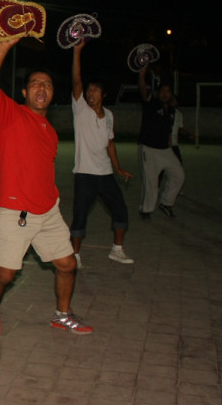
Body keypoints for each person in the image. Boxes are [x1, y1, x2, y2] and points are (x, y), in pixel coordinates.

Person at [0, 40, 93, 335]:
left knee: (68, 264)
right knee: (5, 275)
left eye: (48, 85)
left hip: (48, 210)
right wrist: (4, 47)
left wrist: (52, 201)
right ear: (25, 92)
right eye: (35, 84)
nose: (42, 89)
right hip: (16, 211)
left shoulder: (51, 132)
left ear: (53, 94)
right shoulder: (10, 114)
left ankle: (62, 315)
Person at [69, 41, 134, 267]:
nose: (90, 93)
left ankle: (116, 250)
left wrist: (118, 168)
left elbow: (111, 144)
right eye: (89, 90)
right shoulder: (81, 111)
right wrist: (77, 52)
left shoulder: (108, 115)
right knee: (79, 216)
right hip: (85, 175)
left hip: (105, 175)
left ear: (103, 94)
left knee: (121, 211)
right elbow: (76, 81)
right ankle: (75, 255)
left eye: (95, 90)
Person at [137, 64, 184, 218]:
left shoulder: (171, 112)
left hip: (165, 149)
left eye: (168, 92)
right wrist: (142, 76)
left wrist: (171, 151)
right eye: (163, 91)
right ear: (157, 93)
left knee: (179, 175)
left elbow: (169, 133)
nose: (165, 94)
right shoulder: (151, 105)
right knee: (150, 182)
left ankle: (166, 203)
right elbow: (144, 93)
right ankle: (146, 210)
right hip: (149, 150)